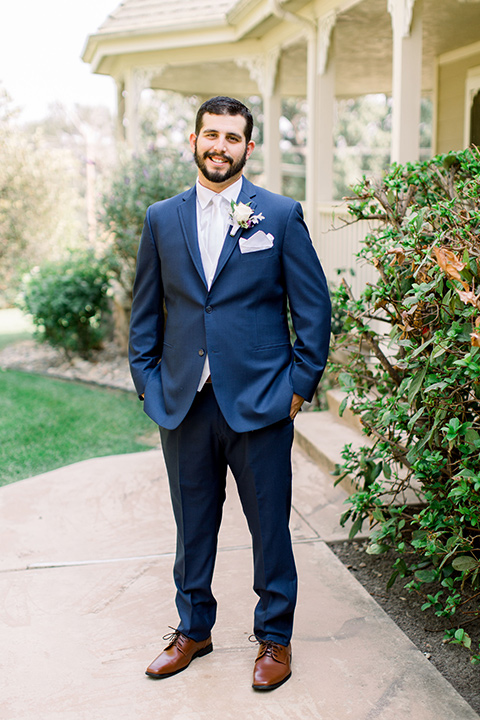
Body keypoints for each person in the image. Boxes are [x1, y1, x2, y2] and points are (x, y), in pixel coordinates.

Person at [128, 96, 331, 691]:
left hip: (263, 399)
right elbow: (146, 313)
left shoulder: (279, 214)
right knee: (193, 524)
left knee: (270, 525)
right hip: (184, 399)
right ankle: (194, 628)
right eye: (210, 135)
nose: (220, 146)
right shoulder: (161, 218)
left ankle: (274, 638)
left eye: (232, 137)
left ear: (248, 147)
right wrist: (148, 382)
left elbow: (313, 309)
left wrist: (300, 385)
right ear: (194, 141)